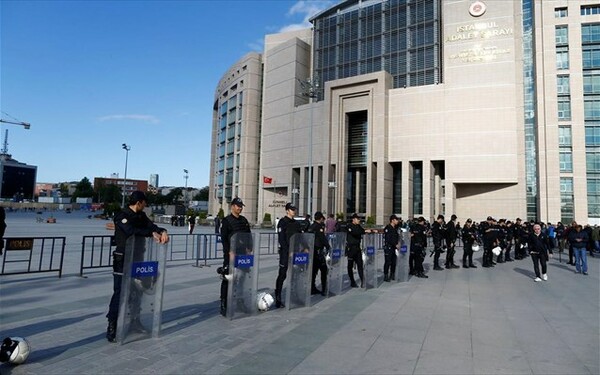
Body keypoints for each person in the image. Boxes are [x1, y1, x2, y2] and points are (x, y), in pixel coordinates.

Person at [106, 191, 169, 343]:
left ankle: (135, 321)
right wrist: (151, 233)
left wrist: (162, 231)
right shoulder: (122, 215)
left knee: (137, 292)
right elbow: (131, 231)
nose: (145, 206)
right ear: (139, 202)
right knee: (120, 292)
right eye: (144, 203)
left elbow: (151, 226)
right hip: (123, 260)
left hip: (138, 259)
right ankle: (112, 325)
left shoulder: (141, 216)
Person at [219, 197, 251, 316]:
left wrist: (250, 249)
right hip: (231, 254)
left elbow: (249, 236)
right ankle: (224, 304)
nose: (240, 208)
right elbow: (224, 239)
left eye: (241, 206)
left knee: (242, 279)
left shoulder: (244, 220)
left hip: (243, 254)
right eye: (238, 206)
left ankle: (240, 302)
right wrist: (229, 252)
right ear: (232, 206)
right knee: (228, 278)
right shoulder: (227, 221)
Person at [274, 202, 302, 308]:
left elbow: (300, 237)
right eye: (291, 209)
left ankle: (295, 296)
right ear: (287, 210)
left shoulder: (296, 223)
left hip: (296, 253)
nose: (293, 211)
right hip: (286, 253)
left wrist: (304, 248)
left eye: (294, 209)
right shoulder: (282, 222)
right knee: (282, 274)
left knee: (296, 274)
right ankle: (278, 297)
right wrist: (288, 251)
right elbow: (281, 239)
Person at [346, 213, 371, 287]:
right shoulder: (349, 226)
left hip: (357, 248)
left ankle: (363, 280)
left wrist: (368, 231)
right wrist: (365, 231)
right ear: (353, 219)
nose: (359, 220)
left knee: (360, 265)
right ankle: (352, 281)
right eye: (357, 219)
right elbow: (355, 232)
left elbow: (362, 231)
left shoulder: (358, 226)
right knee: (350, 266)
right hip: (351, 248)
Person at [308, 211, 330, 295]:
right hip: (318, 252)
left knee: (313, 271)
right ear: (321, 218)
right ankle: (324, 289)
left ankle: (312, 288)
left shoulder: (311, 226)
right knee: (323, 270)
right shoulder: (319, 227)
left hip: (312, 251)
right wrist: (328, 246)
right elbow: (322, 238)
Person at [383, 214, 400, 281]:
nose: (397, 221)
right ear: (392, 220)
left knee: (394, 262)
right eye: (396, 220)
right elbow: (388, 239)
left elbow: (396, 237)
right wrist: (395, 244)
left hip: (394, 248)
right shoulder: (388, 228)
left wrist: (398, 243)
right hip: (389, 247)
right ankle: (386, 275)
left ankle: (392, 274)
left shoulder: (395, 228)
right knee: (388, 262)